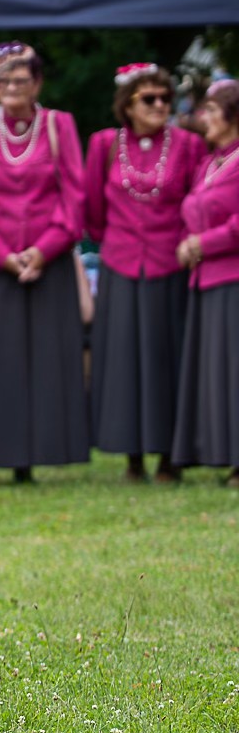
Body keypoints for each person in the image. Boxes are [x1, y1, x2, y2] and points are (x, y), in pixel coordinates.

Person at [0, 43, 90, 484]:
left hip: (47, 262)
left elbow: (75, 199)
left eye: (22, 79)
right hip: (0, 263)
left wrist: (44, 250)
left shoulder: (59, 125)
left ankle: (29, 462)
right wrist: (2, 255)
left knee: (45, 362)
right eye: (4, 80)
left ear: (38, 83)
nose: (13, 88)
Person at [86, 64, 205, 481]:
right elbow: (93, 212)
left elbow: (198, 200)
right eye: (148, 98)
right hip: (120, 262)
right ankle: (131, 456)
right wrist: (114, 243)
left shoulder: (189, 144)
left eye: (165, 98)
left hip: (167, 262)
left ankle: (170, 456)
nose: (159, 106)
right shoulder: (104, 144)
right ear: (127, 104)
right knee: (122, 361)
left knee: (166, 359)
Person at [170, 80, 239, 484]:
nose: (203, 118)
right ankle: (219, 451)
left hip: (232, 276)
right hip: (204, 279)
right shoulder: (208, 163)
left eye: (212, 111)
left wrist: (202, 243)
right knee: (214, 371)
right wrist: (186, 243)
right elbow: (193, 212)